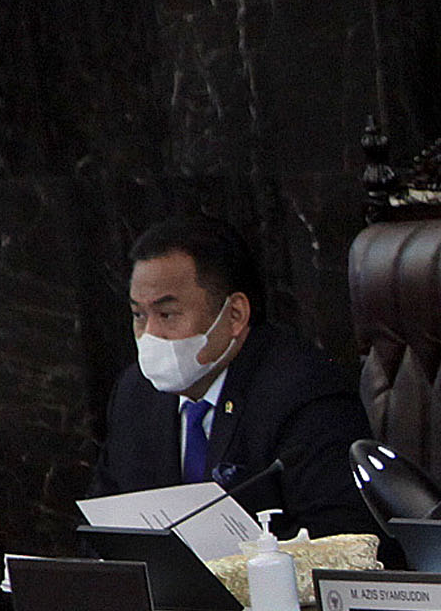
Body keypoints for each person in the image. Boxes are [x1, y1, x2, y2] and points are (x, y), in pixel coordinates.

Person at [94, 215, 375, 536]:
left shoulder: (304, 393)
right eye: (139, 315)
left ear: (235, 315)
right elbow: (101, 530)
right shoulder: (135, 394)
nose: (150, 335)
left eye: (167, 314)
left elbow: (339, 537)